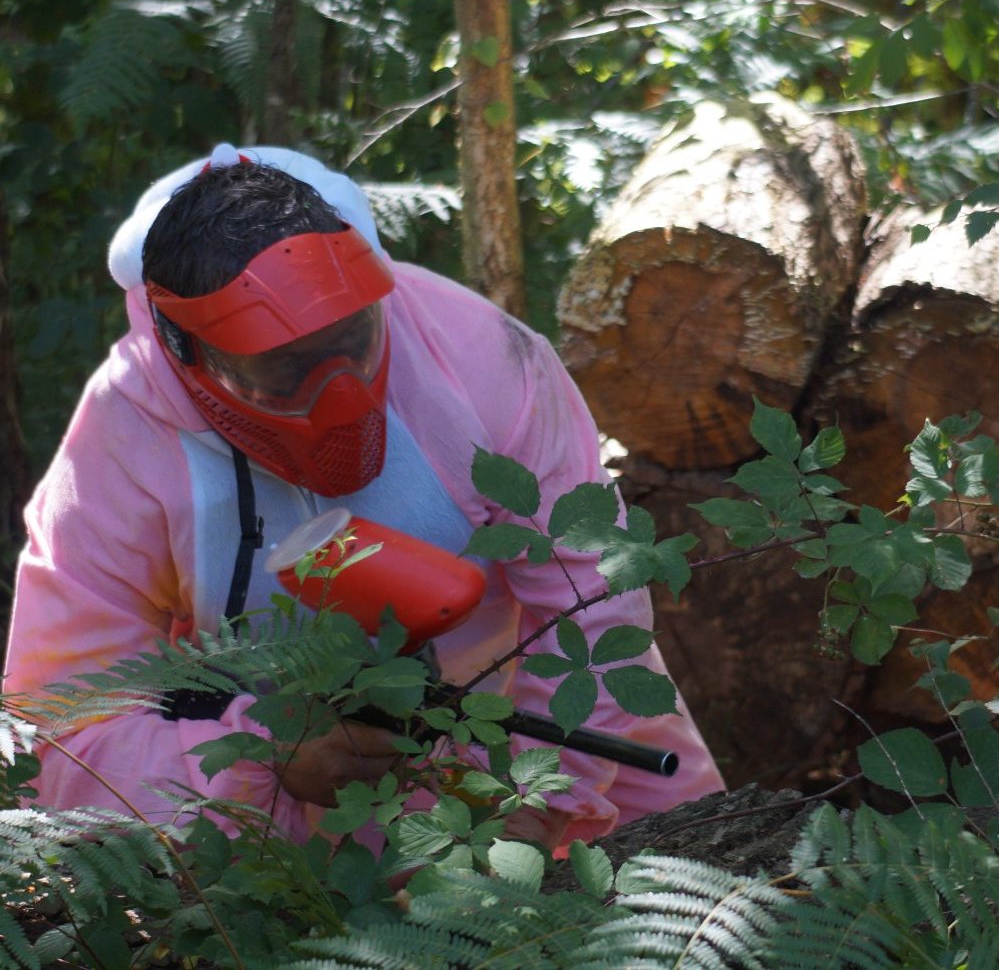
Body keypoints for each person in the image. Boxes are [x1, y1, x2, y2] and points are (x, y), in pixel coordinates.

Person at [4, 144, 724, 851]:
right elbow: (57, 732)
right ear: (183, 348)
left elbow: (593, 607)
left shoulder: (479, 356)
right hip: (277, 836)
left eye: (353, 343)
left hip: (570, 750)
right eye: (284, 371)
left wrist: (524, 808)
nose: (337, 396)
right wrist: (262, 759)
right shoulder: (121, 441)